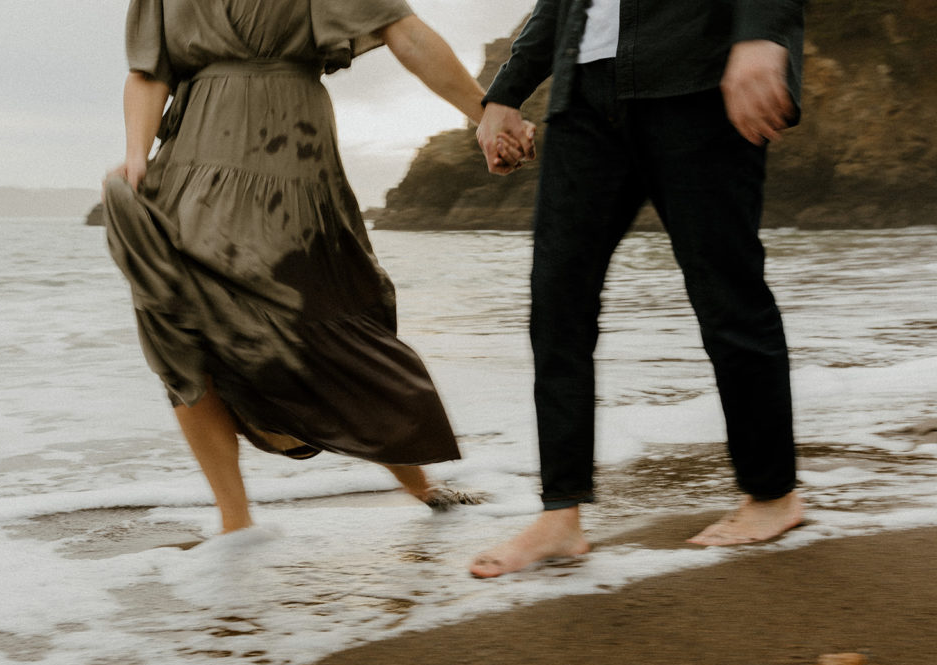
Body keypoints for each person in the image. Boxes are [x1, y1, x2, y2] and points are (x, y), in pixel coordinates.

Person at [103, 0, 521, 534]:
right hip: (189, 161)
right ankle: (235, 523)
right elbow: (147, 71)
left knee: (321, 320)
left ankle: (420, 486)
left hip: (289, 160)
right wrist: (136, 153)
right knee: (177, 320)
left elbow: (406, 34)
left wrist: (484, 113)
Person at [470, 0, 806, 577]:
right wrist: (505, 93)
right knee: (557, 303)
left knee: (727, 293)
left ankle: (773, 495)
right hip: (582, 99)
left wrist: (762, 32)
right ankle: (560, 514)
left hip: (694, 80)